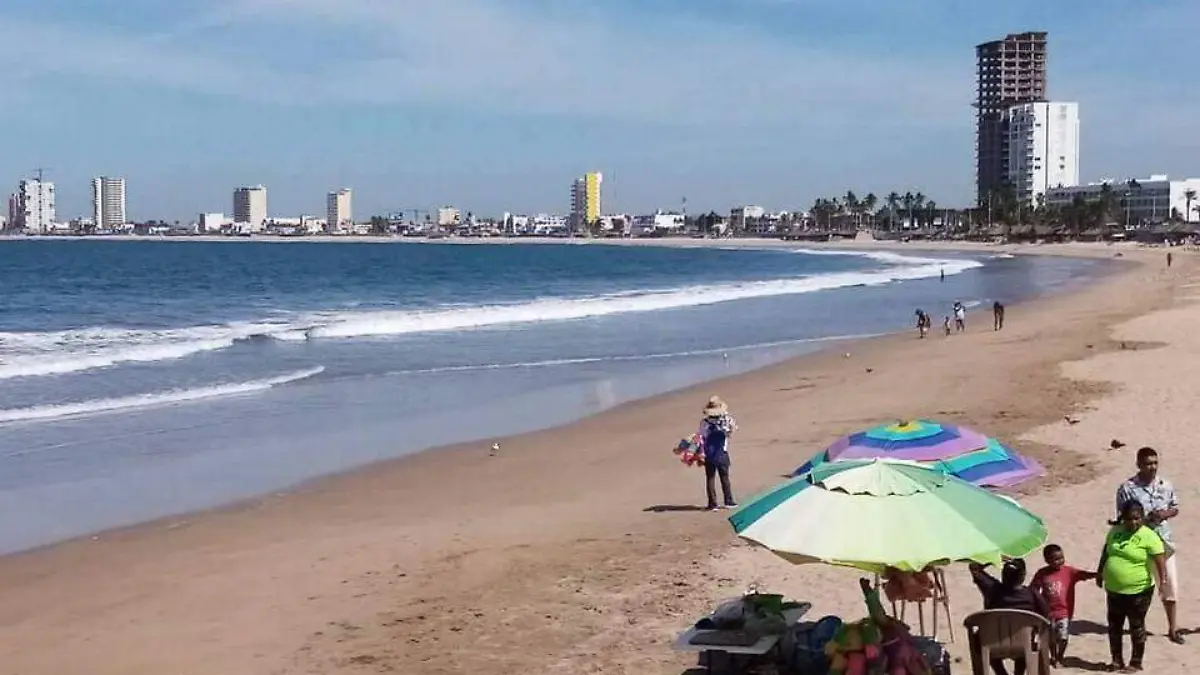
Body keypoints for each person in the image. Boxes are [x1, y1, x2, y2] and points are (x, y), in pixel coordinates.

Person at [1115, 446, 1183, 644]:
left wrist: (1163, 514)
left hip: (1164, 542)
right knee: (1140, 589)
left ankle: (1173, 628)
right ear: (1139, 464)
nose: (1152, 467)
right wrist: (1143, 520)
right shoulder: (1127, 489)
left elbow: (1175, 507)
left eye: (1154, 463)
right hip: (1138, 544)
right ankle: (1139, 627)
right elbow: (1121, 517)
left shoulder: (1165, 484)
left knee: (1170, 586)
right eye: (1147, 463)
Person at [1098, 501, 1167, 671]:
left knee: (1136, 626)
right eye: (1129, 519)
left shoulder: (1150, 536)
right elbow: (1106, 552)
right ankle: (1116, 661)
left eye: (1137, 518)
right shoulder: (1115, 531)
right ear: (1123, 518)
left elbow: (1160, 561)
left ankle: (1136, 662)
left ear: (1142, 517)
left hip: (1139, 591)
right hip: (1114, 589)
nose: (1133, 522)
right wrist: (1100, 572)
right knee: (1114, 626)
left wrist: (1163, 582)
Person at [969, 559, 1049, 675]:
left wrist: (992, 560)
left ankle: (1001, 672)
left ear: (1003, 575)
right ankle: (1019, 672)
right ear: (1023, 576)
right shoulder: (1031, 593)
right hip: (1024, 643)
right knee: (1026, 632)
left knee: (981, 638)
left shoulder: (992, 589)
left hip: (993, 642)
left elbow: (974, 568)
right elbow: (1045, 614)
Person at [1031, 544, 1097, 665]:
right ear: (1047, 560)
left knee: (1063, 637)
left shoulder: (1069, 572)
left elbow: (1083, 574)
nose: (1060, 561)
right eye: (1056, 559)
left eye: (1061, 558)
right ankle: (1053, 655)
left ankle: (1060, 656)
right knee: (1051, 637)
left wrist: (1096, 575)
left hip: (1064, 612)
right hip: (1048, 612)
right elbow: (1033, 589)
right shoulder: (1042, 573)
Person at [698, 396, 737, 511]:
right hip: (722, 452)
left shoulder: (704, 422)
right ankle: (728, 501)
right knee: (725, 478)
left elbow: (701, 438)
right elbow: (731, 432)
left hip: (709, 454)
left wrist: (700, 453)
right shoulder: (726, 420)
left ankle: (712, 504)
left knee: (710, 478)